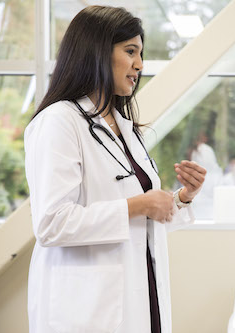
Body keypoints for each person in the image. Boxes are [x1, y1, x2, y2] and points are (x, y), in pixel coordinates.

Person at [24, 6, 206, 333]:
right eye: (130, 51)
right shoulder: (58, 122)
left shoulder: (125, 128)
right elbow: (51, 223)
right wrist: (139, 205)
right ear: (96, 52)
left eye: (140, 53)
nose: (139, 64)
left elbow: (145, 217)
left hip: (139, 294)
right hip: (86, 308)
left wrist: (181, 198)